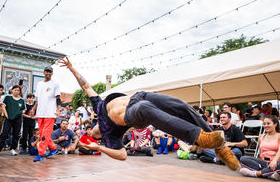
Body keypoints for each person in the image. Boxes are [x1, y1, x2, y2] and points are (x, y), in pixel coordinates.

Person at [58, 56, 240, 171]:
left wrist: (72, 69)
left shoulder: (97, 107)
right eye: (92, 136)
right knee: (144, 107)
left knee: (180, 105)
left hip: (139, 96)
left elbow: (86, 86)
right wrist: (99, 148)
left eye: (90, 132)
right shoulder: (108, 137)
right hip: (133, 114)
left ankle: (220, 148)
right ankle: (200, 138)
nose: (91, 133)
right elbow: (122, 156)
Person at [31, 66, 60, 162]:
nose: (48, 73)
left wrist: (58, 109)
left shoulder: (55, 84)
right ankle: (53, 148)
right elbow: (37, 98)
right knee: (43, 134)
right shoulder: (39, 84)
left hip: (50, 113)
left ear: (52, 73)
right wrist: (33, 109)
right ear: (44, 72)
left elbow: (58, 98)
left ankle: (41, 154)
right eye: (47, 71)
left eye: (50, 72)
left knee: (45, 135)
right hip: (40, 113)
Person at [239, 115, 280, 181]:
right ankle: (269, 173)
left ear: (275, 124)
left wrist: (274, 161)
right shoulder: (261, 137)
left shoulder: (279, 136)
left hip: (276, 163)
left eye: (268, 123)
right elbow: (261, 153)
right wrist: (260, 162)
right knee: (243, 158)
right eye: (264, 124)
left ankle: (256, 173)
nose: (266, 126)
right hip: (264, 163)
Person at [0, 85, 26, 157]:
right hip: (8, 118)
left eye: (18, 90)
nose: (17, 92)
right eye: (15, 90)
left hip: (18, 119)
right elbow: (3, 106)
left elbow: (24, 109)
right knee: (4, 133)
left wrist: (20, 112)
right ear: (12, 90)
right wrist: (6, 114)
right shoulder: (7, 97)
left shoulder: (21, 100)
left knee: (16, 134)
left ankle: (13, 149)